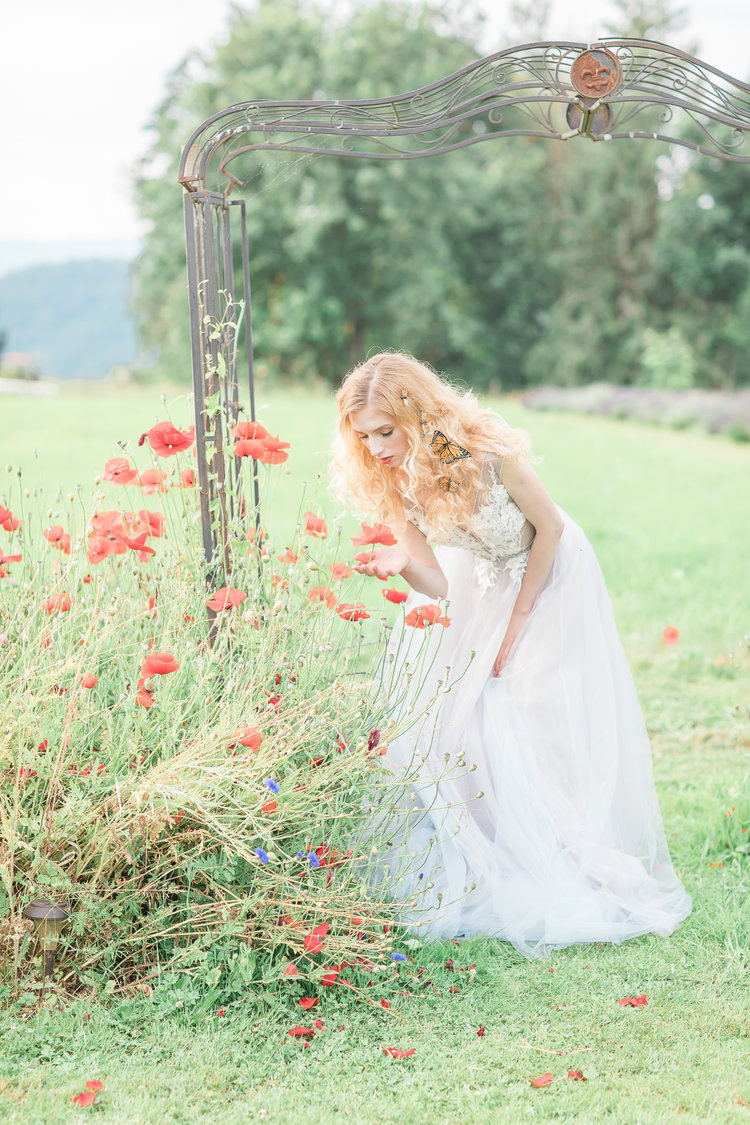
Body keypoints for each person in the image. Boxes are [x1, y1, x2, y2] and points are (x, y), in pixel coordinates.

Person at [332, 350, 692, 960]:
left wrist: (519, 621)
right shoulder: (395, 480)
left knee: (527, 703)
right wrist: (403, 568)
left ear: (416, 416)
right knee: (456, 716)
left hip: (550, 576)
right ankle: (505, 853)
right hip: (479, 581)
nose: (377, 449)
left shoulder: (484, 454)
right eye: (364, 438)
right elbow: (439, 583)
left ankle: (577, 852)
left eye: (386, 432)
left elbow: (548, 528)